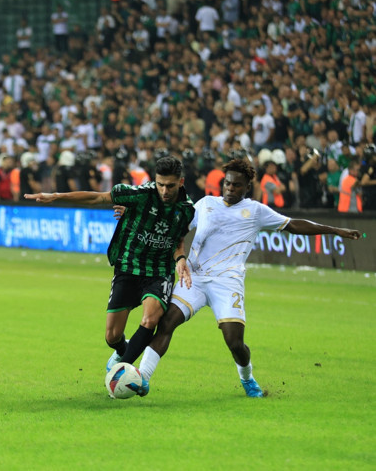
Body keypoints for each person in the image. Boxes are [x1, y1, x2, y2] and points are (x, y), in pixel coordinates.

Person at [135, 158, 361, 397]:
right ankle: (142, 378)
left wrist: (335, 230)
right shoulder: (205, 204)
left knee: (234, 342)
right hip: (196, 277)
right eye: (228, 184)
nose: (231, 188)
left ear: (247, 188)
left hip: (228, 282)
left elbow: (293, 225)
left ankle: (247, 378)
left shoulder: (256, 211)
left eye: (237, 185)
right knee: (168, 322)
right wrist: (178, 256)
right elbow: (176, 230)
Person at [25, 156, 195, 395]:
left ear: (181, 182)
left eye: (170, 185)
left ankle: (123, 373)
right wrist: (56, 196)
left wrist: (180, 259)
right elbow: (97, 197)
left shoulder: (187, 209)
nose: (165, 191)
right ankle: (120, 351)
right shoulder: (139, 195)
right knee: (112, 335)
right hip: (128, 267)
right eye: (160, 184)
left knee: (150, 319)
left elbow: (178, 240)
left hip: (158, 272)